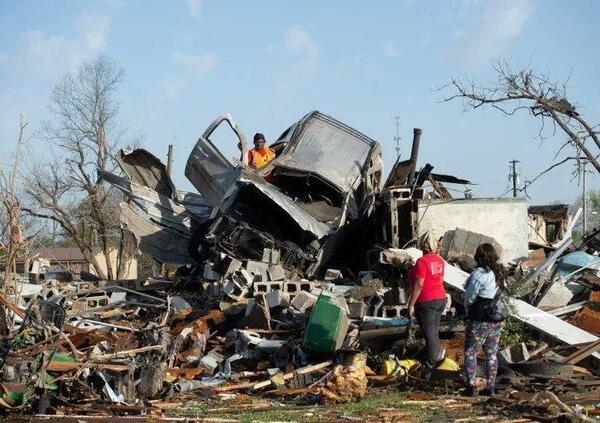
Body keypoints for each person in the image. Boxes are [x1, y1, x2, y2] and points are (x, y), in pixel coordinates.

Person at [462, 243, 507, 397]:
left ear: (479, 257)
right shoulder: (500, 274)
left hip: (479, 320)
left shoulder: (479, 274)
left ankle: (472, 386)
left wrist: (468, 313)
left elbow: (469, 297)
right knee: (492, 354)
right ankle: (490, 387)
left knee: (470, 352)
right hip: (496, 321)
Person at [407, 230, 447, 376]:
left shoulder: (422, 262)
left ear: (422, 245)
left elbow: (419, 284)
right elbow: (441, 280)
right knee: (434, 333)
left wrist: (411, 304)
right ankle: (438, 360)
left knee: (429, 335)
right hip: (440, 298)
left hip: (426, 301)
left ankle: (429, 369)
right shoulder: (440, 260)